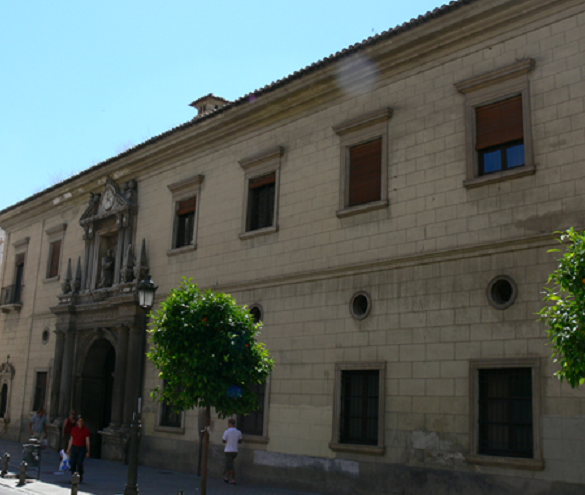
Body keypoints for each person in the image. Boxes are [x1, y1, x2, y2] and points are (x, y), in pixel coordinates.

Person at [67, 416, 90, 483]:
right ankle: (73, 477)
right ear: (77, 422)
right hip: (74, 447)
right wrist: (68, 449)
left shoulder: (86, 430)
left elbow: (87, 441)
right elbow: (71, 439)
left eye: (82, 422)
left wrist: (88, 451)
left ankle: (80, 476)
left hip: (82, 448)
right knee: (73, 463)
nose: (80, 423)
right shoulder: (74, 429)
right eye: (79, 421)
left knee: (79, 462)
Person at [222, 418, 242, 485]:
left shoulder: (227, 432)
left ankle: (233, 479)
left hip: (228, 450)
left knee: (230, 465)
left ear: (229, 423)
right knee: (229, 464)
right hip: (235, 450)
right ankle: (227, 478)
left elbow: (223, 440)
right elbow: (240, 441)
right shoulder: (238, 432)